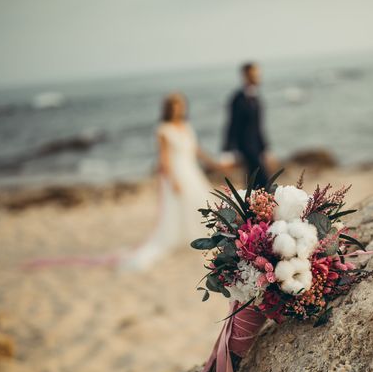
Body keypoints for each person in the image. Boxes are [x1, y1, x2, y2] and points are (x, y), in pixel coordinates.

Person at [118, 93, 218, 271]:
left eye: (180, 105)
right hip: (177, 172)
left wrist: (214, 163)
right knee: (182, 205)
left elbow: (196, 149)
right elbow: (163, 159)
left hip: (192, 170)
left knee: (202, 201)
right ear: (167, 108)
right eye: (173, 106)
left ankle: (204, 236)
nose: (177, 109)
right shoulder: (163, 129)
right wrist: (172, 180)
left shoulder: (186, 125)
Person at [223, 62, 277, 188]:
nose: (257, 77)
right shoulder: (237, 98)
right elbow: (232, 125)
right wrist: (228, 151)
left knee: (259, 182)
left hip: (257, 148)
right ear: (245, 76)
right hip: (245, 149)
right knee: (260, 182)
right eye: (254, 74)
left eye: (258, 74)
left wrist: (266, 148)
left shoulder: (257, 98)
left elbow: (259, 127)